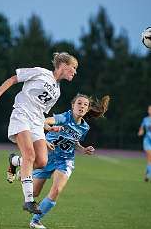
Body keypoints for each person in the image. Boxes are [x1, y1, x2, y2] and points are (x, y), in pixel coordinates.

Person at [0, 52, 78, 214]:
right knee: (29, 156)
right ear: (63, 65)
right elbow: (13, 79)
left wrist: (48, 128)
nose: (75, 72)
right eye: (74, 67)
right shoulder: (41, 72)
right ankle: (29, 200)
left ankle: (14, 161)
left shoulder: (58, 91)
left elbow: (39, 112)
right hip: (21, 114)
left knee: (41, 161)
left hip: (35, 123)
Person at [8, 93, 110, 229]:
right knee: (34, 193)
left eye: (85, 105)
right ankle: (16, 163)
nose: (82, 106)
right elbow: (44, 122)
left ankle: (35, 221)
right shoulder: (64, 117)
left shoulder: (85, 127)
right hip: (48, 157)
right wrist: (44, 140)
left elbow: (74, 142)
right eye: (79, 103)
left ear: (87, 110)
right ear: (73, 105)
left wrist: (83, 149)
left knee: (56, 190)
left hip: (65, 160)